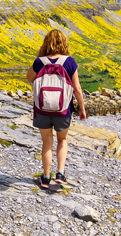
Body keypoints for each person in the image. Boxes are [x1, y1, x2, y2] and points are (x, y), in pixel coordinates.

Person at [27, 29, 86, 189]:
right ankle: (60, 173)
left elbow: (29, 78)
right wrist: (81, 108)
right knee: (62, 140)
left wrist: (37, 57)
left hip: (42, 109)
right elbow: (77, 88)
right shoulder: (69, 62)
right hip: (63, 110)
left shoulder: (40, 62)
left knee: (47, 143)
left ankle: (45, 178)